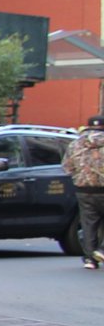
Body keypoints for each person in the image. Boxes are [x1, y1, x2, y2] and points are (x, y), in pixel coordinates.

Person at [63, 113, 104, 269]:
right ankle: (101, 250)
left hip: (83, 190)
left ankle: (90, 258)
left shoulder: (75, 144)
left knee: (89, 223)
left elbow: (67, 168)